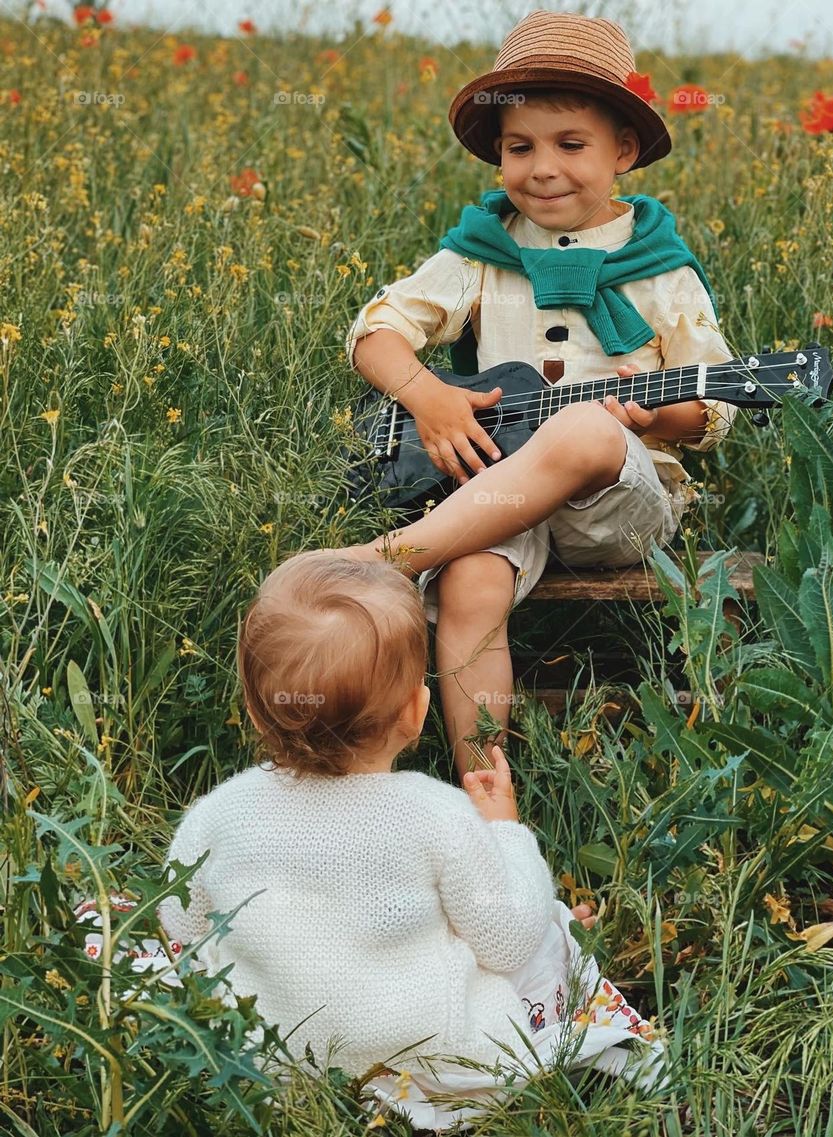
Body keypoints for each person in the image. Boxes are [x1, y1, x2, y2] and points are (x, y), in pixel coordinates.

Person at [338, 10, 739, 784]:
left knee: (589, 430)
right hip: (496, 492)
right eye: (519, 148)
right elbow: (375, 332)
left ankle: (388, 560)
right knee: (467, 582)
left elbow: (711, 409)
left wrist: (655, 415)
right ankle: (486, 796)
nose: (542, 168)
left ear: (624, 150)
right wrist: (428, 396)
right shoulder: (481, 254)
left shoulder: (660, 266)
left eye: (570, 145)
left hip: (616, 506)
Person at [158, 554, 667, 1132]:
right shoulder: (436, 813)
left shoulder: (218, 814)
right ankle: (566, 950)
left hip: (266, 1061)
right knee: (536, 923)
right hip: (430, 1056)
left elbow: (181, 926)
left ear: (252, 708)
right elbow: (505, 944)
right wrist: (504, 828)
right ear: (415, 712)